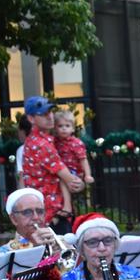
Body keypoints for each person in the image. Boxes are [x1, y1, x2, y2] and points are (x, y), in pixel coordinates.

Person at [20, 96, 85, 233]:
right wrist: (80, 181)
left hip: (48, 213)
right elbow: (72, 182)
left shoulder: (44, 140)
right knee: (62, 253)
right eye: (43, 114)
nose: (49, 117)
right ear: (31, 119)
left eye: (50, 112)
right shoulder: (41, 144)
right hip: (53, 215)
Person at [53, 109, 94, 222]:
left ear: (73, 128)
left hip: (73, 171)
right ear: (55, 128)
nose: (64, 128)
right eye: (60, 126)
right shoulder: (54, 142)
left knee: (62, 179)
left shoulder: (76, 143)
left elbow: (83, 159)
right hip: (62, 170)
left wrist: (87, 175)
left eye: (67, 125)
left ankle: (67, 207)